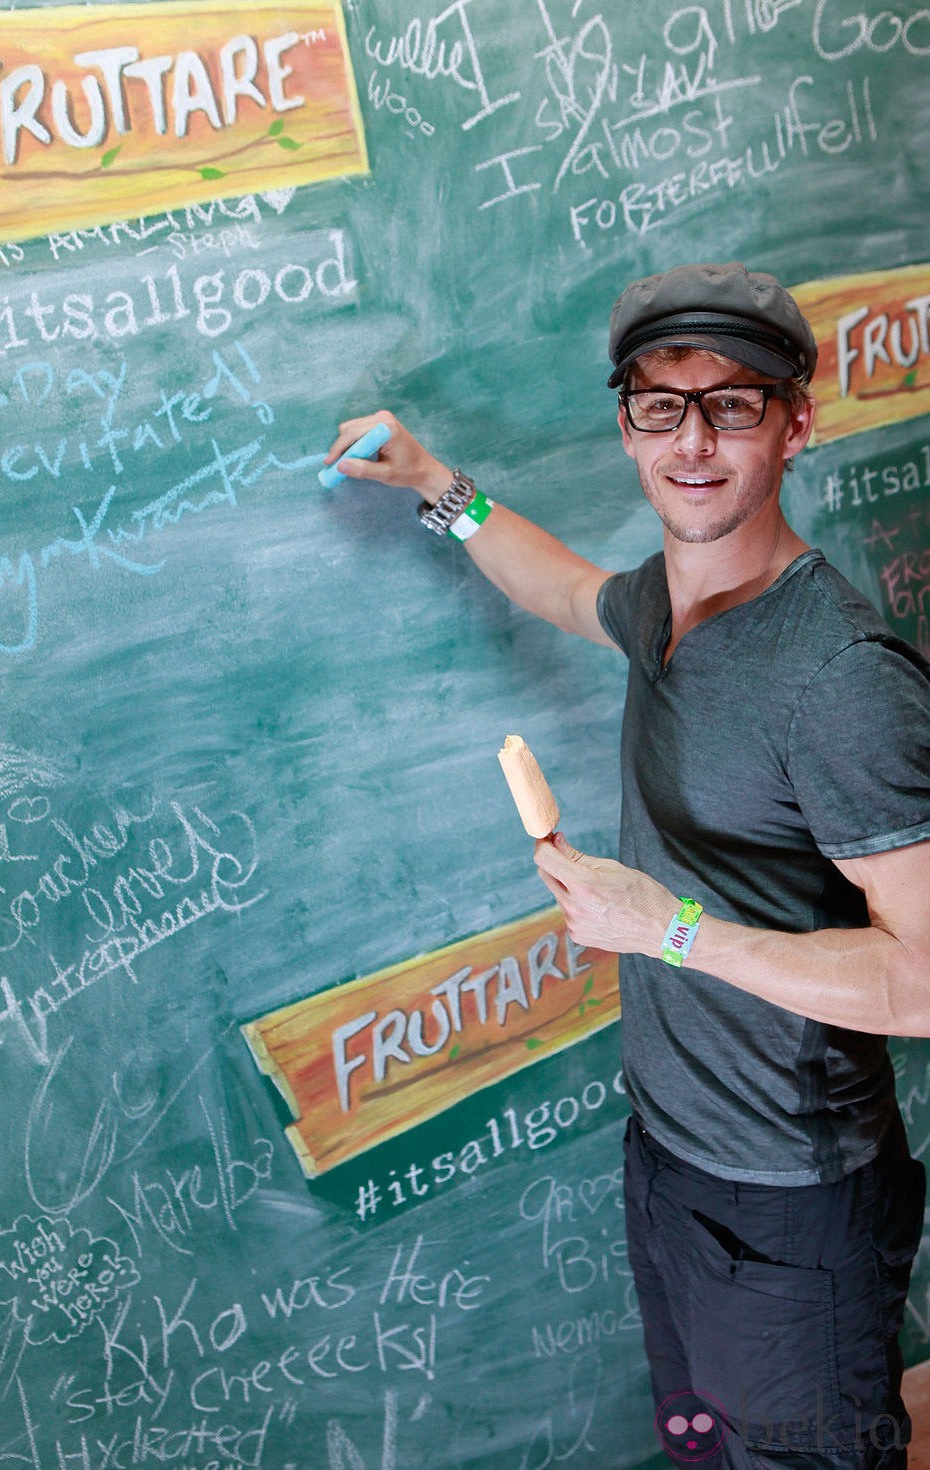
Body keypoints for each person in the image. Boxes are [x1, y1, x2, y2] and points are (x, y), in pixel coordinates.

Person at [323, 261, 930, 1469]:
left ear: (795, 422)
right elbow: (559, 587)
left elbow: (923, 982)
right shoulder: (663, 602)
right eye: (662, 406)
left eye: (733, 404)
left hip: (788, 1197)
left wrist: (669, 929)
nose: (692, 441)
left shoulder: (842, 682)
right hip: (669, 1154)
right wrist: (437, 486)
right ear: (627, 425)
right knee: (703, 1443)